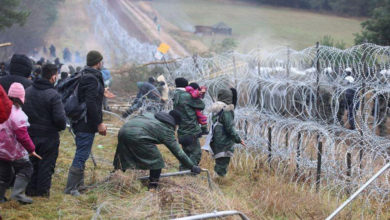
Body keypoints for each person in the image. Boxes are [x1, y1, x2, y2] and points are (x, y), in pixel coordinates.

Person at [113, 110, 201, 189]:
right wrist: (192, 166)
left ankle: (114, 176)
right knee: (157, 161)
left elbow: (137, 118)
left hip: (123, 130)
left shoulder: (153, 115)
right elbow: (178, 152)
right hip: (138, 136)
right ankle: (153, 187)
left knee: (122, 154)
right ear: (176, 124)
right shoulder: (167, 129)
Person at [64, 50, 107, 196]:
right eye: (101, 61)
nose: (102, 63)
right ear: (98, 62)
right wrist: (99, 123)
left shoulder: (86, 74)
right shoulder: (91, 78)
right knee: (82, 153)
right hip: (85, 122)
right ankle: (71, 188)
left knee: (84, 152)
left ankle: (79, 185)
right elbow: (91, 103)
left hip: (82, 121)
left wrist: (102, 91)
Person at [24, 64, 66, 197]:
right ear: (53, 77)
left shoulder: (28, 91)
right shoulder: (54, 95)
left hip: (30, 135)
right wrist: (60, 127)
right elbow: (60, 119)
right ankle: (42, 193)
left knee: (31, 163)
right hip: (49, 137)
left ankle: (30, 190)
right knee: (46, 165)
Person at [0, 83, 41, 204]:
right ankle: (17, 194)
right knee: (26, 168)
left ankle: (1, 197)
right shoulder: (18, 115)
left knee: (4, 174)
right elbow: (22, 136)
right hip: (13, 151)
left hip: (1, 150)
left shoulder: (3, 108)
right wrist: (31, 149)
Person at [208, 88, 245, 177]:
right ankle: (219, 181)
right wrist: (238, 139)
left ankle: (217, 179)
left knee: (219, 161)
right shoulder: (226, 110)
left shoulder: (215, 109)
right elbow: (229, 128)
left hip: (216, 139)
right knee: (222, 163)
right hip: (224, 141)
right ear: (229, 97)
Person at [173, 77, 205, 170]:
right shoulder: (187, 96)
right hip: (191, 130)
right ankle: (190, 172)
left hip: (181, 130)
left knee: (185, 153)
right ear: (186, 86)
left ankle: (182, 171)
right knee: (196, 153)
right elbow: (201, 105)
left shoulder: (175, 95)